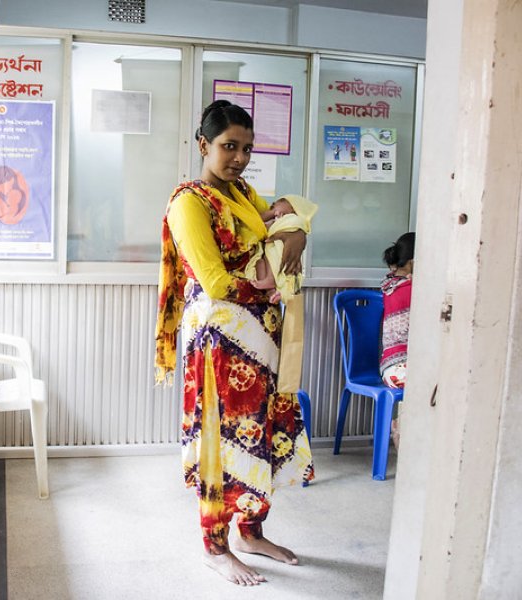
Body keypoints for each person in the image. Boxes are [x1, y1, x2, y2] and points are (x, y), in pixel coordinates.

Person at [154, 100, 314, 587]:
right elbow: (216, 281)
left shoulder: (243, 193)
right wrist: (269, 282)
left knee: (259, 434)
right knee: (221, 443)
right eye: (229, 147)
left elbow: (282, 227)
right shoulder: (190, 202)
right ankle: (215, 547)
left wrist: (296, 238)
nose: (240, 158)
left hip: (262, 338)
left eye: (246, 148)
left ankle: (251, 532)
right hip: (220, 342)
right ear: (203, 144)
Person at [379, 231, 415, 448]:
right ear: (412, 263)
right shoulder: (413, 289)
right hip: (400, 368)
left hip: (390, 368)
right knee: (437, 384)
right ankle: (403, 428)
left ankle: (403, 426)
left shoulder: (391, 284)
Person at [249, 195, 318, 304]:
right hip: (270, 249)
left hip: (279, 251)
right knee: (259, 263)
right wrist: (272, 215)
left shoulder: (293, 220)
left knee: (274, 262)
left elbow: (297, 226)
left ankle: (271, 282)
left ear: (292, 209)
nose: (274, 208)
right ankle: (271, 291)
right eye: (273, 209)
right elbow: (258, 224)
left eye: (277, 205)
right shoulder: (275, 220)